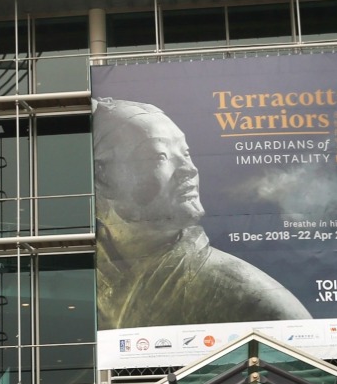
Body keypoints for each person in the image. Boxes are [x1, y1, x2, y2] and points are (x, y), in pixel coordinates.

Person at [93, 97, 311, 331]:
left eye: (185, 154)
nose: (190, 169)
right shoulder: (83, 276)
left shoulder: (257, 302)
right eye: (160, 156)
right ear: (102, 176)